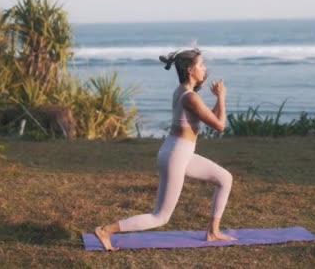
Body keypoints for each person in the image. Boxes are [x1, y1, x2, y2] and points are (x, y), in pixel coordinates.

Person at [94, 48, 237, 251]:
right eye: (201, 65)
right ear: (190, 70)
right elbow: (220, 125)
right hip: (176, 155)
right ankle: (106, 230)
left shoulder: (184, 92)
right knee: (160, 217)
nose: (204, 69)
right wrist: (222, 97)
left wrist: (216, 99)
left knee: (225, 178)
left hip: (179, 153)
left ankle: (213, 231)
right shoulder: (190, 97)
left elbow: (211, 118)